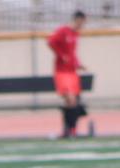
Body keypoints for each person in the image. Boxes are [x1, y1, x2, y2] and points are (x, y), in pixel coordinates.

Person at [48, 10, 88, 138]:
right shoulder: (63, 31)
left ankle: (71, 130)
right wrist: (61, 55)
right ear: (77, 20)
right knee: (70, 99)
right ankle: (69, 130)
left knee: (73, 101)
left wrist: (78, 64)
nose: (82, 25)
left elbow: (72, 53)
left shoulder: (75, 34)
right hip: (62, 72)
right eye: (81, 22)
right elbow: (51, 42)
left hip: (72, 72)